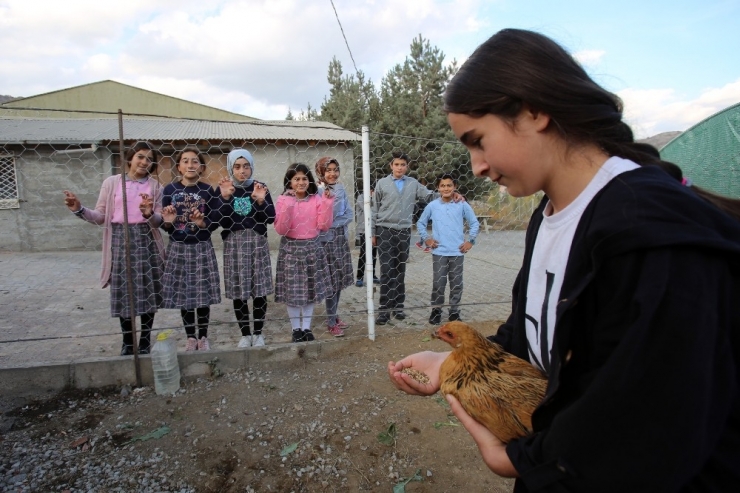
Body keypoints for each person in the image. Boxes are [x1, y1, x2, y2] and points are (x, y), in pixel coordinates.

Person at [388, 28, 740, 492]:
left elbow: (649, 427)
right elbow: (532, 337)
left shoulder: (651, 235)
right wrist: (454, 360)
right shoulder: (551, 212)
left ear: (533, 111)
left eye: (478, 141)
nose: (475, 166)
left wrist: (522, 460)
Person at [63, 142, 165, 356]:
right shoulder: (112, 183)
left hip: (146, 240)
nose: (144, 161)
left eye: (149, 159)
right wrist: (79, 209)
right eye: (140, 156)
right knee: (124, 291)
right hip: (120, 240)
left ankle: (145, 340)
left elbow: (158, 221)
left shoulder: (156, 187)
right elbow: (101, 216)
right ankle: (128, 342)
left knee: (149, 290)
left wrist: (148, 214)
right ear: (129, 158)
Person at [212, 149, 275, 348]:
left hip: (257, 243)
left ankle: (258, 333)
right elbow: (216, 221)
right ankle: (245, 334)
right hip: (234, 246)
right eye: (237, 167)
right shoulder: (225, 187)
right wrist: (224, 198)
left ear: (251, 167)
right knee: (239, 290)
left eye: (246, 166)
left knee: (259, 290)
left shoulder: (260, 187)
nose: (242, 171)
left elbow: (271, 218)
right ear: (231, 168)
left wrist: (260, 200)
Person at [161, 147, 221, 351]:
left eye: (194, 161)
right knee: (185, 292)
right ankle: (190, 337)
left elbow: (215, 220)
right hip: (179, 246)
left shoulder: (207, 190)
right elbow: (165, 224)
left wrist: (203, 223)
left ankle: (203, 336)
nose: (190, 165)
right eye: (185, 161)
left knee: (203, 292)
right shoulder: (169, 190)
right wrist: (168, 222)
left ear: (202, 167)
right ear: (178, 166)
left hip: (202, 245)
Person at [371, 151, 438, 325]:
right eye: (396, 164)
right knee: (386, 271)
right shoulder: (382, 183)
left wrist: (450, 195)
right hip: (384, 230)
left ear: (407, 167)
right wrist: (373, 233)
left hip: (403, 232)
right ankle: (384, 310)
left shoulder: (413, 184)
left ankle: (398, 306)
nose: (399, 167)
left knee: (400, 270)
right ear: (391, 166)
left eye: (403, 165)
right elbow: (374, 209)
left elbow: (430, 196)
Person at [273, 163, 334, 343]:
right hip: (290, 248)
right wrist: (289, 203)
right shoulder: (282, 199)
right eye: (296, 179)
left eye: (304, 179)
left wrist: (327, 203)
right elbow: (281, 229)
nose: (301, 182)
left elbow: (324, 226)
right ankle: (295, 329)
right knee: (293, 293)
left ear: (310, 181)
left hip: (312, 248)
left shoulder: (316, 199)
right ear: (289, 181)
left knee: (309, 291)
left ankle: (306, 327)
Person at [416, 173, 479, 324]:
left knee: (456, 283)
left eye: (449, 185)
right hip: (439, 252)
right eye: (442, 185)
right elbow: (420, 223)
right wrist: (427, 239)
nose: (446, 188)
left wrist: (471, 241)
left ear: (454, 187)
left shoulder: (462, 205)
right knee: (439, 283)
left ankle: (454, 312)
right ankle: (436, 311)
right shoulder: (433, 206)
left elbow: (474, 223)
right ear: (438, 188)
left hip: (457, 251)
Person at [315, 157, 354, 337]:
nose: (332, 173)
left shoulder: (340, 188)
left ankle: (335, 315)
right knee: (331, 282)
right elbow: (320, 219)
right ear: (321, 172)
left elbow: (349, 214)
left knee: (338, 280)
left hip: (340, 239)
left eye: (335, 169)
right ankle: (331, 322)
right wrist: (330, 223)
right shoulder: (316, 191)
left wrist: (332, 222)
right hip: (326, 241)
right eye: (328, 170)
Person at [355, 187, 378, 287]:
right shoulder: (361, 198)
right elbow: (368, 209)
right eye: (370, 190)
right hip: (364, 230)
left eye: (372, 191)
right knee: (363, 253)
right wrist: (373, 199)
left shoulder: (375, 198)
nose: (371, 192)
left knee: (373, 253)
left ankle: (372, 276)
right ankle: (359, 277)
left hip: (374, 230)